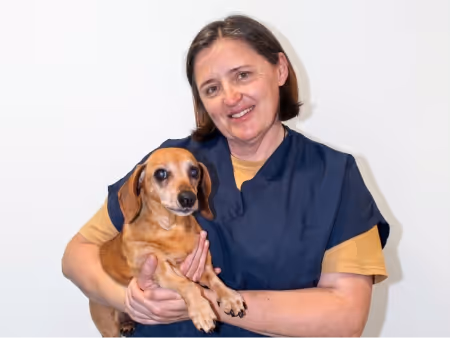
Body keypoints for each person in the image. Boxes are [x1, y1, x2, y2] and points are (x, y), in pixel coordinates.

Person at [62, 14, 390, 338]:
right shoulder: (170, 163)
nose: (231, 97)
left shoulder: (334, 177)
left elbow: (346, 317)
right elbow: (77, 253)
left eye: (243, 75)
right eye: (212, 88)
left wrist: (206, 300)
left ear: (280, 69)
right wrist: (133, 301)